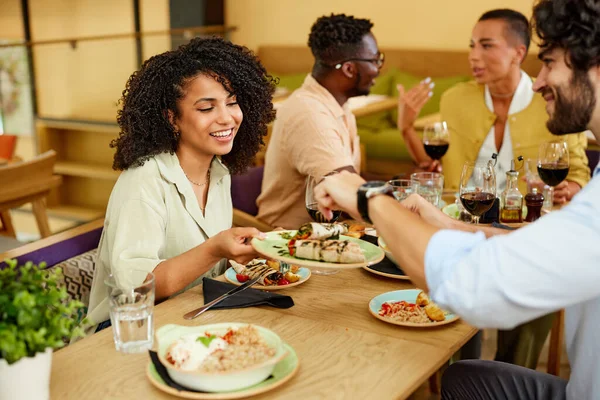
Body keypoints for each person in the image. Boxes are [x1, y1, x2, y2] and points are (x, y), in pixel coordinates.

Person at [313, 0, 600, 397]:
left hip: (527, 229)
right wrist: (449, 225)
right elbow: (440, 166)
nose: (538, 81)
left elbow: (475, 287)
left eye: (549, 62)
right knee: (465, 376)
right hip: (479, 221)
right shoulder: (460, 100)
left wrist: (370, 197)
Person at [86, 37, 276, 330]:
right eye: (206, 108)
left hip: (192, 316)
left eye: (232, 102)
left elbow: (209, 270)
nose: (227, 118)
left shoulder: (218, 172)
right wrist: (216, 250)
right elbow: (138, 286)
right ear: (172, 118)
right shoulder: (144, 180)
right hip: (128, 330)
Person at [256, 13, 433, 229]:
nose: (378, 68)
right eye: (375, 60)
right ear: (349, 69)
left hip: (329, 234)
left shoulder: (339, 103)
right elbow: (352, 195)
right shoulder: (310, 114)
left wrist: (409, 179)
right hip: (288, 244)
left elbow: (354, 184)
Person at [402, 9, 590, 202]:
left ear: (518, 54)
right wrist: (405, 127)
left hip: (525, 220)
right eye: (472, 46)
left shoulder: (554, 102)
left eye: (486, 46)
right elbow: (433, 165)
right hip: (459, 213)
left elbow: (579, 175)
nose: (473, 56)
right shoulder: (455, 98)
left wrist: (564, 191)